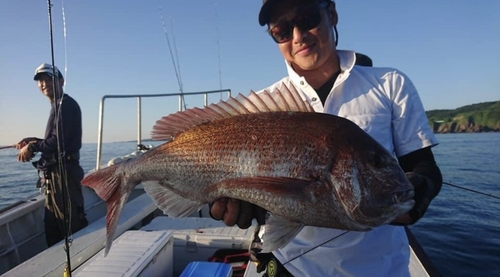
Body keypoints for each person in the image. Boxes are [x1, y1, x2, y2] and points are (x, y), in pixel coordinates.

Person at [210, 0, 443, 276]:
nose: (297, 36)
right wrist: (239, 206)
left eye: (307, 18)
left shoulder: (389, 85)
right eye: (282, 31)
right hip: (291, 267)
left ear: (331, 13)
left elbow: (425, 168)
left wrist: (414, 197)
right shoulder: (266, 105)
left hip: (381, 267)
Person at [16, 63, 88, 247]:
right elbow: (56, 139)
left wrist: (32, 146)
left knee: (71, 229)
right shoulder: (58, 105)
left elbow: (58, 142)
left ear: (61, 81)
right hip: (56, 178)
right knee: (54, 228)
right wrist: (35, 140)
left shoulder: (66, 105)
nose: (43, 83)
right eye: (40, 80)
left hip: (63, 177)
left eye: (49, 78)